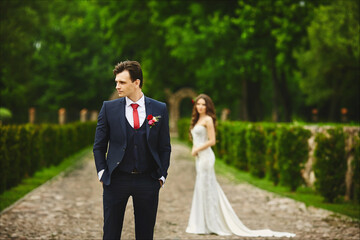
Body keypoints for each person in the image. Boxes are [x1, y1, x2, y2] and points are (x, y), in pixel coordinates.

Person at [186, 94, 295, 238]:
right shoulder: (197, 119)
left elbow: (212, 141)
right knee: (202, 187)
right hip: (199, 158)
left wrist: (197, 149)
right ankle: (202, 222)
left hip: (206, 157)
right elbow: (197, 138)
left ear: (208, 106)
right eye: (198, 104)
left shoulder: (208, 120)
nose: (200, 107)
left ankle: (212, 223)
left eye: (203, 104)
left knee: (206, 186)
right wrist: (195, 150)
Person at [93, 60, 171, 240]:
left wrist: (161, 175)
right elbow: (98, 146)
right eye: (116, 82)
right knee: (111, 233)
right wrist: (102, 173)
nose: (117, 86)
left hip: (148, 180)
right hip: (116, 180)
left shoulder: (159, 108)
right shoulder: (109, 108)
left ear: (136, 83)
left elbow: (164, 147)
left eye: (122, 82)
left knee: (145, 235)